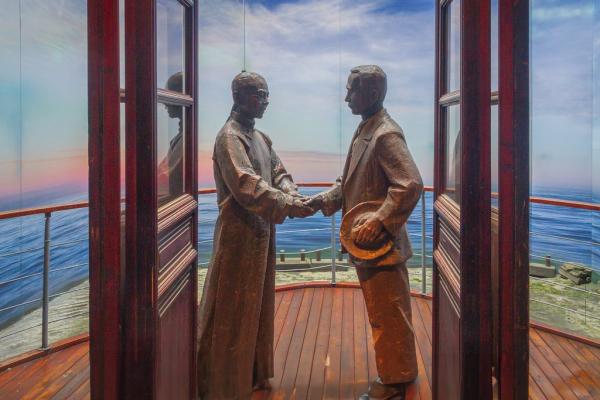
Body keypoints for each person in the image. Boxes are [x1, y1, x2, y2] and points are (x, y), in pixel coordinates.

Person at [196, 71, 314, 400]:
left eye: (266, 95)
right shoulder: (229, 138)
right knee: (230, 309)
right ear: (240, 97)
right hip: (238, 238)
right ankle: (223, 385)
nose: (266, 101)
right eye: (260, 95)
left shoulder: (260, 137)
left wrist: (292, 191)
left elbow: (277, 172)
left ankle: (252, 373)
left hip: (261, 234)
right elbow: (247, 186)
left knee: (256, 307)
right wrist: (290, 205)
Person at [309, 65, 423, 400]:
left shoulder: (385, 134)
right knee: (383, 313)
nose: (346, 97)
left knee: (389, 315)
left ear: (372, 93)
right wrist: (327, 199)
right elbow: (353, 181)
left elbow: (410, 184)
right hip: (369, 247)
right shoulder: (366, 129)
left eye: (352, 90)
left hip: (382, 246)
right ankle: (398, 372)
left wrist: (380, 221)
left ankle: (394, 382)